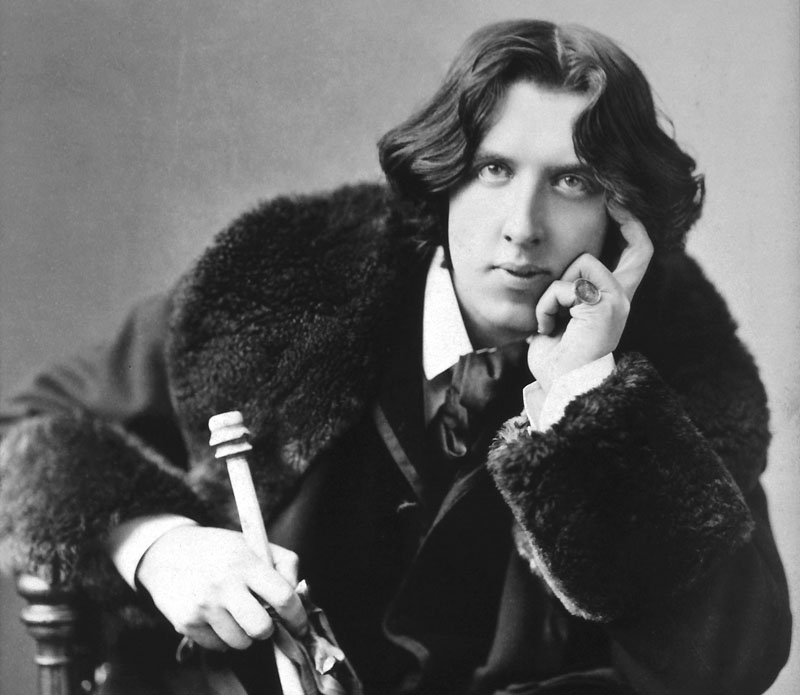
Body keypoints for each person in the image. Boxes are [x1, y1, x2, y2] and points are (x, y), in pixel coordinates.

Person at [0, 18, 791, 695]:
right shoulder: (279, 283)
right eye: (493, 169)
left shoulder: (679, 359)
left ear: (623, 215)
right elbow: (23, 434)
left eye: (573, 181)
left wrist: (589, 396)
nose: (523, 225)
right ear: (444, 176)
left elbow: (731, 662)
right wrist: (156, 548)